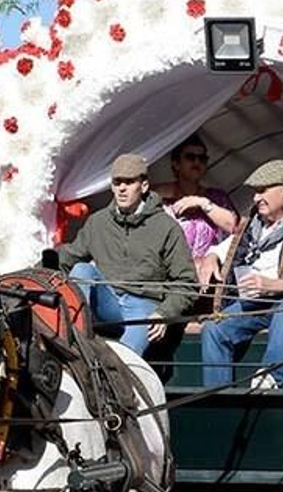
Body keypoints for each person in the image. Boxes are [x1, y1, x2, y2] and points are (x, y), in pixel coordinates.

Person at [200, 159, 283, 388]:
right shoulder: (254, 223)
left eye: (262, 191)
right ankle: (217, 397)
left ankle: (274, 380)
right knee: (214, 329)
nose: (255, 198)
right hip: (258, 301)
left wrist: (275, 285)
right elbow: (230, 246)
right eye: (254, 192)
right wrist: (212, 256)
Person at [58, 153, 197, 357]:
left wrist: (163, 314)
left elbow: (187, 282)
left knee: (124, 361)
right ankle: (73, 339)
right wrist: (29, 274)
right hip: (108, 303)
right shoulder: (98, 222)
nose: (122, 188)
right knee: (82, 270)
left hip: (144, 307)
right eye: (117, 182)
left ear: (144, 186)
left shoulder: (166, 227)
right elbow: (67, 259)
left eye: (129, 182)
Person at [156, 135, 239, 288]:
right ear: (176, 164)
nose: (197, 162)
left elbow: (237, 229)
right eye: (190, 157)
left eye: (202, 159)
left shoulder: (216, 197)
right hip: (170, 278)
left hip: (210, 275)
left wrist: (203, 203)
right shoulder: (160, 198)